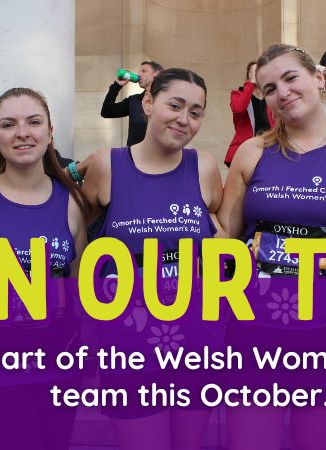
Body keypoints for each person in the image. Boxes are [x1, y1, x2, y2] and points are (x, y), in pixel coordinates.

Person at [219, 44, 326, 450]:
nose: (282, 92)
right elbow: (224, 240)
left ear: (317, 77)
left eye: (290, 78)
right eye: (269, 88)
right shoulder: (252, 152)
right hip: (253, 328)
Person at [82, 68, 223, 450]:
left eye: (195, 112)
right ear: (147, 102)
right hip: (128, 342)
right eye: (174, 105)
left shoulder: (205, 168)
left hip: (197, 340)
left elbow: (220, 237)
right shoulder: (106, 165)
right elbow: (80, 238)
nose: (184, 119)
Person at [0, 87, 88, 450]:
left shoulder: (73, 202)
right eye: (8, 124)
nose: (22, 132)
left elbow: (79, 289)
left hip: (59, 359)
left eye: (33, 122)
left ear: (50, 132)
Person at [100, 60, 164, 146]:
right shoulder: (134, 100)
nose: (139, 74)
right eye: (139, 71)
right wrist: (117, 86)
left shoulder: (166, 100)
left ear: (156, 74)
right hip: (134, 156)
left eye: (144, 71)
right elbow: (107, 112)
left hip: (159, 155)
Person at [225, 61, 275, 166]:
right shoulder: (238, 94)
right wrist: (251, 84)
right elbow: (239, 109)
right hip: (246, 150)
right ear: (249, 75)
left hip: (269, 149)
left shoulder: (271, 97)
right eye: (254, 71)